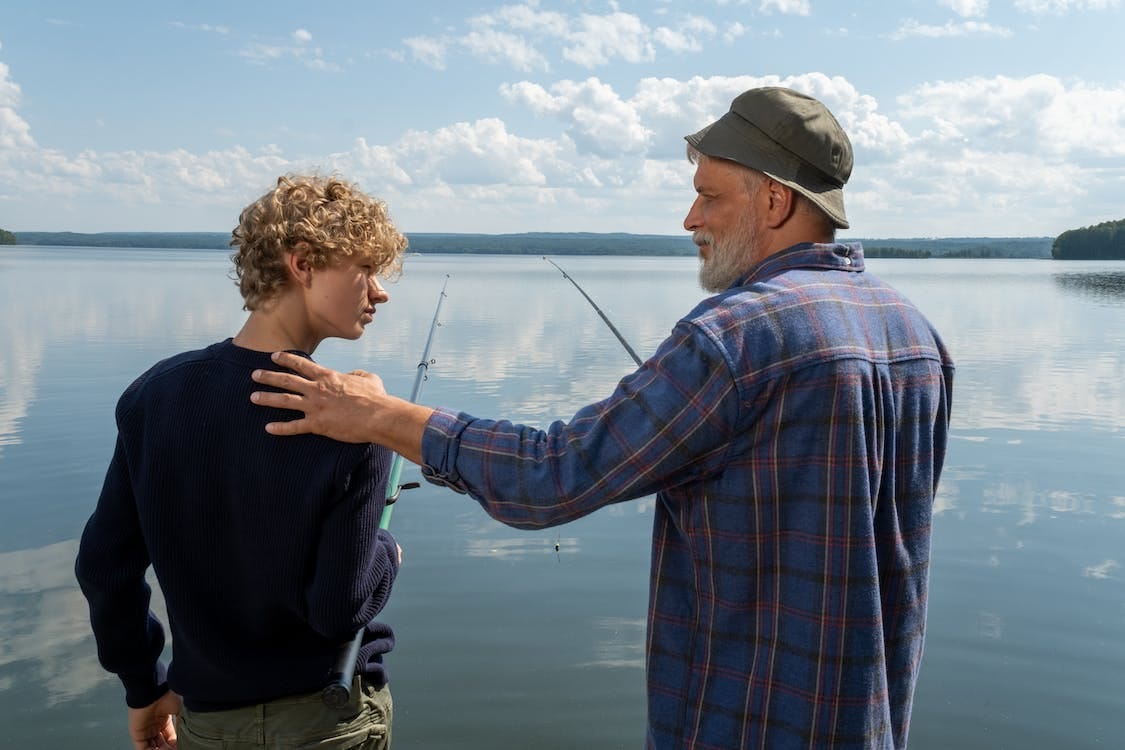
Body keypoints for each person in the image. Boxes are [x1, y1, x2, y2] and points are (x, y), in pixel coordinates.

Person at [250, 88, 954, 749]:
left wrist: (380, 416)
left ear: (772, 200)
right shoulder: (916, 335)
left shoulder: (736, 337)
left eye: (708, 196)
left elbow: (552, 476)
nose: (690, 219)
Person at [75, 174, 409, 750]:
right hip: (328, 722)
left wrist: (144, 687)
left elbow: (104, 569)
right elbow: (339, 610)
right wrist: (387, 555)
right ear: (302, 263)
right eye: (365, 269)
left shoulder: (154, 397)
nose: (380, 292)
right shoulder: (357, 418)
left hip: (209, 723)